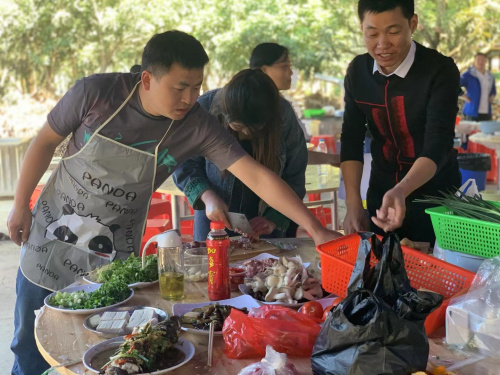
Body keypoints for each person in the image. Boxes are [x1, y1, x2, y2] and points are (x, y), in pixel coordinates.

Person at [7, 30, 340, 375]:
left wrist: (315, 229)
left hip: (114, 247)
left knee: (101, 348)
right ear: (148, 79)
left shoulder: (196, 124)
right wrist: (19, 205)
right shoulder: (95, 93)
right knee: (29, 347)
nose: (189, 97)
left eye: (196, 87)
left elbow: (255, 175)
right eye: (180, 87)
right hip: (52, 231)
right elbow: (44, 142)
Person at [340, 0, 461, 244]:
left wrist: (402, 191)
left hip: (435, 200)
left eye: (393, 31)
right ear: (361, 27)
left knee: (432, 276)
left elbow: (437, 143)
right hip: (381, 197)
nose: (382, 45)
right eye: (372, 33)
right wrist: (354, 204)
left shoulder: (439, 70)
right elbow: (351, 139)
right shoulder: (358, 71)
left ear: (412, 24)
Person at [173, 68, 307, 240]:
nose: (245, 134)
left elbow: (295, 174)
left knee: (269, 266)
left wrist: (273, 219)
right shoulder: (205, 107)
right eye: (238, 128)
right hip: (214, 215)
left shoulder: (283, 114)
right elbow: (184, 163)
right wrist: (207, 196)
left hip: (265, 221)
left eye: (253, 131)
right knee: (212, 264)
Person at [250, 43, 340, 167]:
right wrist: (332, 158)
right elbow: (291, 154)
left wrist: (333, 158)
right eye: (284, 66)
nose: (291, 72)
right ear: (264, 70)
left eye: (290, 66)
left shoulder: (280, 104)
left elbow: (294, 153)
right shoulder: (261, 107)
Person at [461, 52, 497, 122]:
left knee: (485, 132)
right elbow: (454, 85)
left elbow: (493, 90)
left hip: (486, 112)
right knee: (471, 132)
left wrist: (492, 96)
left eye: (483, 60)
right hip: (472, 111)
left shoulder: (490, 76)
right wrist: (464, 96)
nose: (481, 62)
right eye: (478, 60)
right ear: (474, 61)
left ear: (486, 61)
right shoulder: (468, 74)